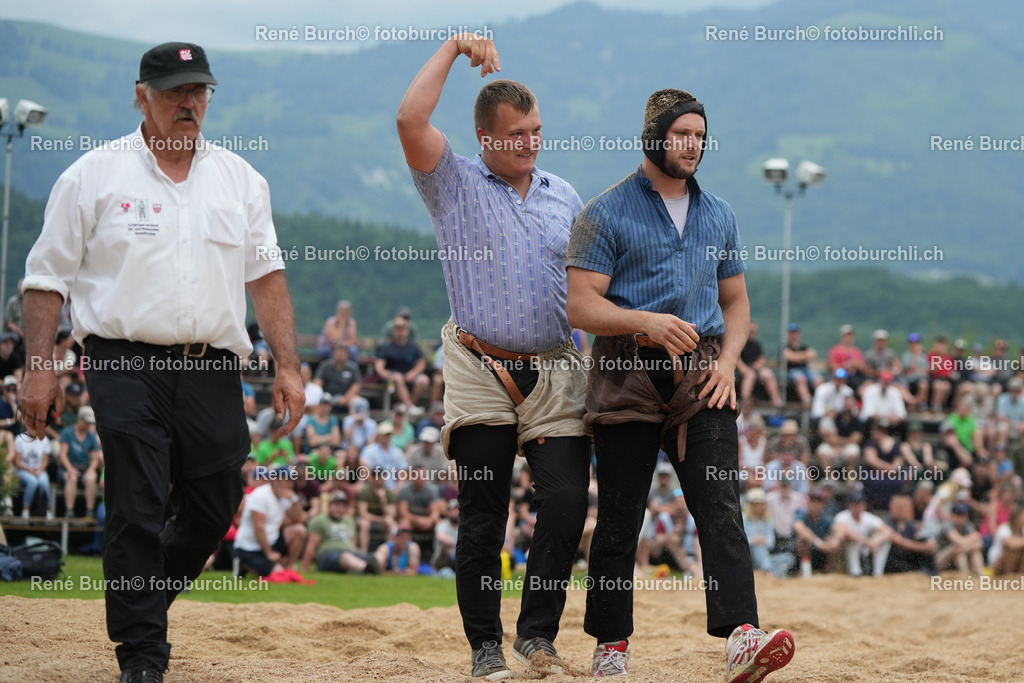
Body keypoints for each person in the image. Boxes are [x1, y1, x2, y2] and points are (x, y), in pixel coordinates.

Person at [17, 42, 304, 683]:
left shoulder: (240, 179)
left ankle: (139, 598)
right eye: (174, 91)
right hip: (123, 360)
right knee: (138, 501)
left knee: (215, 501)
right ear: (140, 94)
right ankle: (142, 654)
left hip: (212, 366)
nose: (188, 102)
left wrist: (288, 365)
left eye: (198, 90)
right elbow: (45, 280)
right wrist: (40, 366)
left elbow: (267, 277)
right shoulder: (92, 176)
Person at [566, 88, 793, 680]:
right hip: (624, 376)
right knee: (620, 517)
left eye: (700, 134)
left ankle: (743, 635)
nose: (693, 144)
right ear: (654, 137)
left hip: (704, 378)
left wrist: (730, 363)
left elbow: (737, 303)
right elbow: (580, 306)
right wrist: (644, 321)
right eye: (682, 133)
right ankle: (610, 647)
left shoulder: (719, 213)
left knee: (721, 507)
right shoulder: (605, 211)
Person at [397, 33, 591, 679]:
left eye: (535, 130)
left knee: (565, 501)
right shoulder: (450, 183)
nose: (528, 142)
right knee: (484, 510)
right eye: (514, 135)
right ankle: (484, 644)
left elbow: (589, 286)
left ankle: (536, 634)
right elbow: (408, 119)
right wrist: (453, 49)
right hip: (480, 364)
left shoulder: (566, 195)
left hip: (558, 364)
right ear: (484, 139)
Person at [234, 466, 308, 579]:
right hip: (249, 548)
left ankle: (289, 567)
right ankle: (243, 563)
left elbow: (299, 519)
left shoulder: (286, 497)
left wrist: (294, 500)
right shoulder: (261, 495)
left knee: (300, 530)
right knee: (277, 573)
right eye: (287, 480)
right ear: (275, 481)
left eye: (292, 481)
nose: (291, 485)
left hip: (271, 542)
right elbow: (258, 527)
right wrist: (269, 553)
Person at [301, 490, 380, 574]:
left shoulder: (349, 521)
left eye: (343, 506)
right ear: (329, 506)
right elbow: (311, 546)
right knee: (346, 557)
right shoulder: (319, 520)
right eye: (337, 506)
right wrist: (305, 568)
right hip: (328, 556)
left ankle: (359, 568)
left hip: (351, 553)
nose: (340, 509)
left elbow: (353, 543)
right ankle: (367, 568)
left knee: (373, 557)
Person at [374, 317, 430, 413]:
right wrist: (385, 374)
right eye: (397, 329)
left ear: (407, 331)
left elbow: (421, 362)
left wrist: (413, 373)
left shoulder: (413, 345)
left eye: (402, 329)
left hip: (409, 374)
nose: (400, 332)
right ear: (393, 331)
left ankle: (409, 406)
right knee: (398, 378)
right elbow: (379, 364)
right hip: (393, 375)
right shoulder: (387, 346)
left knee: (424, 380)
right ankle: (410, 407)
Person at [58, 406, 102, 518]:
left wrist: (91, 469)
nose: (88, 425)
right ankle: (69, 510)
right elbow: (63, 455)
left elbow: (94, 457)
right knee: (71, 477)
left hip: (84, 468)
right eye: (87, 422)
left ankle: (89, 511)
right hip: (67, 468)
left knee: (91, 478)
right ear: (80, 419)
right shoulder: (67, 433)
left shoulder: (91, 436)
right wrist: (70, 469)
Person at [14, 429, 53, 518]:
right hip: (23, 470)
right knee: (33, 482)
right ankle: (25, 509)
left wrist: (39, 470)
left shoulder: (44, 439)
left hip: (39, 470)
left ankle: (48, 509)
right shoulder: (20, 439)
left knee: (44, 482)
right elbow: (17, 461)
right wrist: (28, 469)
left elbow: (45, 460)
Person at [783, 323, 822, 405]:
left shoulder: (803, 346)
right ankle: (806, 400)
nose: (794, 335)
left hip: (805, 370)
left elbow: (814, 354)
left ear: (799, 334)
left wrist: (798, 356)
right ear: (788, 334)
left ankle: (820, 400)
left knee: (818, 379)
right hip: (791, 371)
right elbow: (791, 358)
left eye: (795, 332)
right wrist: (804, 355)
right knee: (800, 378)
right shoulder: (785, 347)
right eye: (792, 333)